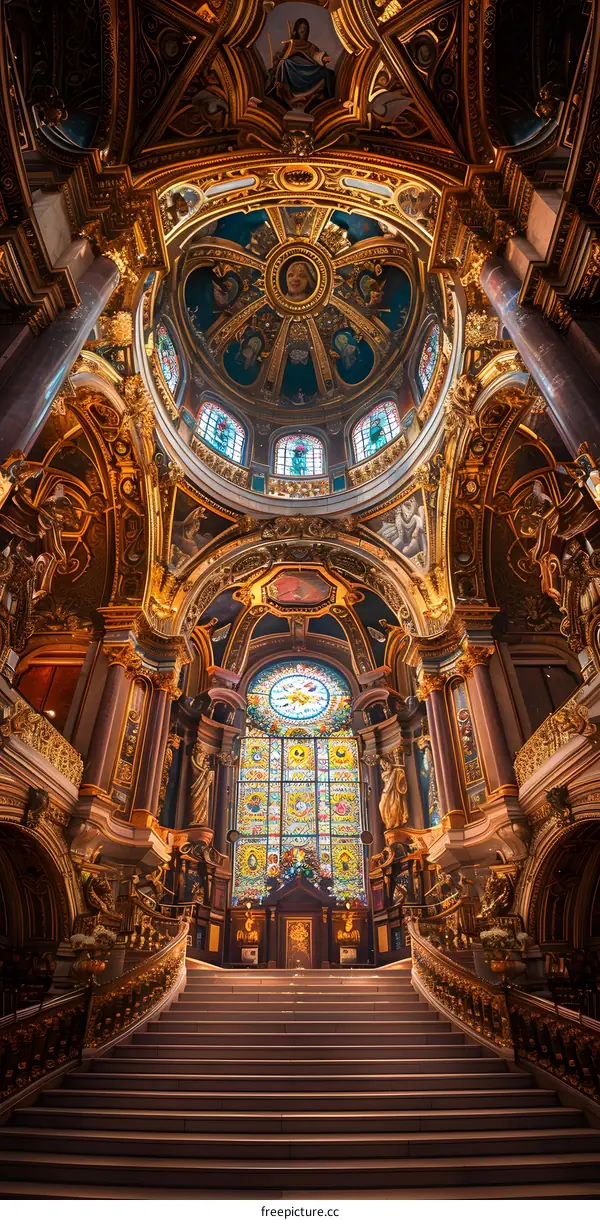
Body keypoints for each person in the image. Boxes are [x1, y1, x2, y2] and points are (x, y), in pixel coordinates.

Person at [269, 19, 335, 109]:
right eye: (301, 28)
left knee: (327, 72)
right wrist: (277, 58)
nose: (303, 30)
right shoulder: (291, 43)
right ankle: (288, 95)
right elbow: (282, 56)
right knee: (284, 62)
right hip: (292, 70)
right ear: (296, 30)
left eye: (305, 28)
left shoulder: (310, 46)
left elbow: (315, 55)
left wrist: (323, 58)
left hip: (309, 71)